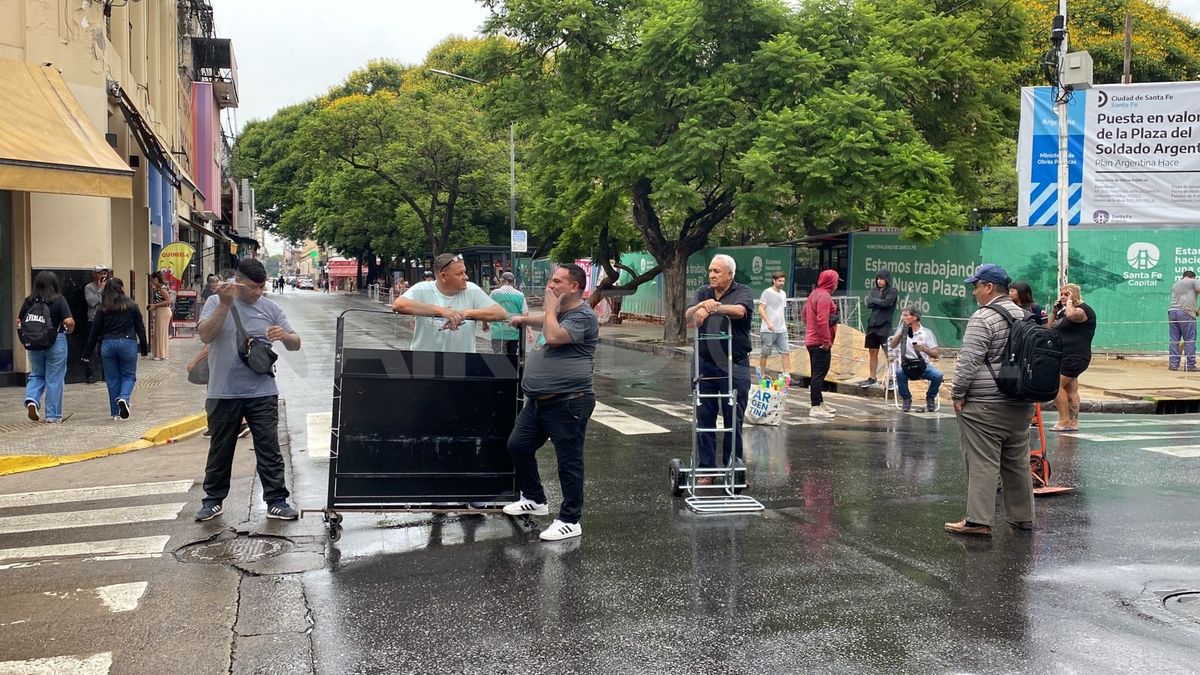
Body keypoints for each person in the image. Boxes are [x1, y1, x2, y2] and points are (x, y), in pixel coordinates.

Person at [194, 258, 302, 522]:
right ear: (238, 282)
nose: (258, 292)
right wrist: (224, 305)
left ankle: (277, 500)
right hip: (222, 391)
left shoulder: (270, 308)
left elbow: (296, 343)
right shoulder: (216, 300)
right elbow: (205, 335)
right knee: (221, 448)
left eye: (261, 287)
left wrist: (284, 336)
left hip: (262, 390)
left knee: (268, 446)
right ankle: (213, 500)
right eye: (253, 287)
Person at [502, 264, 599, 541]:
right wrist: (522, 320)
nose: (551, 285)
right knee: (518, 445)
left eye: (557, 281)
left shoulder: (583, 315)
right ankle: (534, 498)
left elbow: (555, 335)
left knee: (569, 462)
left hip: (569, 402)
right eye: (551, 281)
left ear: (574, 287)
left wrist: (547, 308)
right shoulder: (561, 312)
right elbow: (546, 320)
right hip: (538, 402)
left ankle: (570, 519)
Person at [946, 263, 1034, 537]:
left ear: (988, 287)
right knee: (1017, 460)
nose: (974, 293)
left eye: (976, 287)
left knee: (982, 460)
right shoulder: (1026, 316)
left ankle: (978, 520)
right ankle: (1023, 517)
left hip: (985, 403)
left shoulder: (983, 317)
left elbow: (970, 360)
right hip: (1021, 401)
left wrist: (957, 393)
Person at [684, 254, 754, 481]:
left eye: (717, 271)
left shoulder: (742, 291)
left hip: (735, 363)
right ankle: (707, 469)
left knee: (734, 417)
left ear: (730, 275)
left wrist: (714, 308)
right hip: (705, 363)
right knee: (704, 416)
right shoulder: (703, 292)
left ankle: (733, 467)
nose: (712, 275)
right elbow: (689, 315)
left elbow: (740, 311)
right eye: (710, 271)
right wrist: (702, 306)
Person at [390, 252, 506, 353]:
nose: (465, 277)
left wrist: (465, 313)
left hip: (462, 365)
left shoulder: (471, 290)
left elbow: (500, 313)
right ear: (444, 276)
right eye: (459, 274)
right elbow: (398, 304)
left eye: (464, 272)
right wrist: (442, 311)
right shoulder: (423, 288)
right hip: (424, 363)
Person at [82, 278, 149, 421]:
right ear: (122, 289)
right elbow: (140, 328)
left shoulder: (103, 307)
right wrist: (144, 348)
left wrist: (87, 353)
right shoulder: (132, 305)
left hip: (108, 345)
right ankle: (124, 398)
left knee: (112, 380)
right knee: (129, 376)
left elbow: (94, 332)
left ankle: (115, 413)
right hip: (127, 343)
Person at [18, 271, 75, 423]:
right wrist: (70, 329)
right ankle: (53, 415)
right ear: (55, 284)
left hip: (34, 344)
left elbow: (19, 320)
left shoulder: (29, 301)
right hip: (55, 342)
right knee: (54, 378)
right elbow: (68, 321)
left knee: (36, 374)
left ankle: (31, 399)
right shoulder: (58, 300)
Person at [1049, 283, 1096, 432]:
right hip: (1064, 355)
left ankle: (1064, 420)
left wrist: (1069, 302)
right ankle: (1073, 422)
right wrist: (1054, 312)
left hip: (1076, 356)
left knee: (1055, 385)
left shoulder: (1083, 311)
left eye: (1066, 294)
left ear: (1075, 295)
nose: (1062, 297)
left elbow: (1071, 315)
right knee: (1070, 389)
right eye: (1061, 294)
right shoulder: (1063, 311)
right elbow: (1049, 328)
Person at [887, 307, 942, 412]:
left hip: (923, 365)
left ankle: (930, 397)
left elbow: (936, 354)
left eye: (905, 315)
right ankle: (906, 398)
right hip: (906, 365)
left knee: (938, 375)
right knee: (899, 373)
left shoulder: (926, 333)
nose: (902, 318)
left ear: (914, 317)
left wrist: (924, 349)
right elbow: (893, 345)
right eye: (902, 315)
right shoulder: (901, 330)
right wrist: (901, 331)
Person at [804, 269, 840, 418]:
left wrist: (809, 329)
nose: (837, 284)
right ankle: (815, 405)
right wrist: (826, 341)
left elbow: (804, 313)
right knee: (819, 374)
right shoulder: (824, 296)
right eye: (836, 281)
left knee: (816, 373)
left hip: (811, 339)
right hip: (820, 342)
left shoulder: (814, 293)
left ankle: (819, 401)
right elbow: (822, 319)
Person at [861, 269, 897, 387]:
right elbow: (868, 303)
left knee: (889, 353)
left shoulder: (892, 291)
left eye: (882, 279)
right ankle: (872, 377)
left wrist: (876, 301)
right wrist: (878, 301)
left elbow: (887, 303)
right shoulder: (873, 290)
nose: (879, 281)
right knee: (872, 352)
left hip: (885, 326)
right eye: (878, 279)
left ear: (887, 280)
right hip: (872, 326)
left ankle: (892, 378)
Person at [757, 271, 791, 376]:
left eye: (783, 281)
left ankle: (786, 375)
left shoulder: (783, 293)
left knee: (785, 352)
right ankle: (762, 374)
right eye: (779, 281)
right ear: (774, 281)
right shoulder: (767, 292)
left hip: (781, 328)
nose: (781, 283)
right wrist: (768, 322)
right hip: (768, 329)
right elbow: (760, 308)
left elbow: (782, 310)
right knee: (765, 353)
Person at [489, 272, 528, 356]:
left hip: (498, 332)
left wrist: (485, 324)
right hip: (514, 333)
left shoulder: (494, 293)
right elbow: (525, 313)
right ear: (513, 282)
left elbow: (487, 309)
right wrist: (528, 330)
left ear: (502, 280)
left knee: (499, 358)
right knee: (512, 358)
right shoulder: (520, 295)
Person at [1168, 270, 1200, 372]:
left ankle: (1173, 365)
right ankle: (1190, 365)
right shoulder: (1193, 281)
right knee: (1189, 340)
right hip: (1186, 313)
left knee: (1174, 340)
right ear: (1192, 277)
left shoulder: (1175, 284)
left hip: (1172, 312)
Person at [83, 265, 107, 384]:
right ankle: (90, 375)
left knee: (104, 347)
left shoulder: (108, 287)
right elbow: (91, 302)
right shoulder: (89, 287)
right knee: (91, 347)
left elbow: (108, 301)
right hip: (92, 319)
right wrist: (99, 290)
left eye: (103, 273)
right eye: (99, 273)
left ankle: (105, 374)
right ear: (94, 274)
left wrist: (103, 290)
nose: (101, 276)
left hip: (105, 319)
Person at [148, 271, 173, 360]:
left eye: (153, 280)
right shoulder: (159, 288)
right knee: (160, 332)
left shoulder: (162, 289)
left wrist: (155, 305)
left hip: (163, 311)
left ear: (156, 279)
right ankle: (160, 353)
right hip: (161, 311)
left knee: (161, 332)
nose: (152, 282)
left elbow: (168, 301)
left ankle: (161, 354)